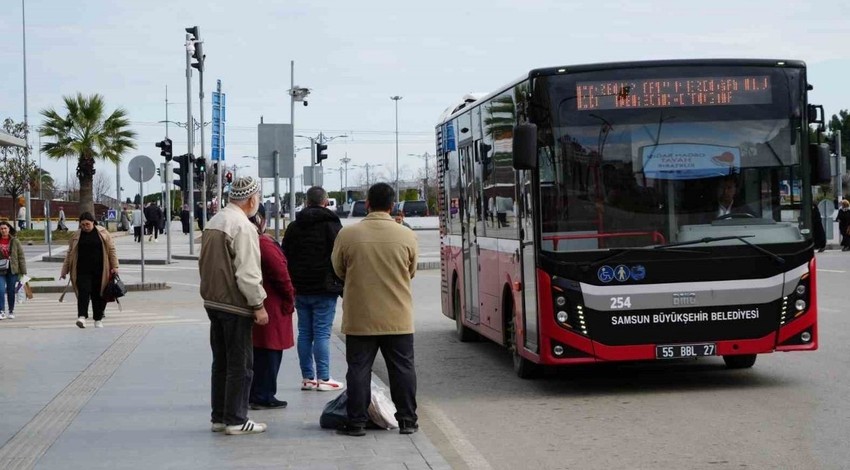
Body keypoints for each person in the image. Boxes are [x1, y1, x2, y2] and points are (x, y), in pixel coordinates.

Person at [331, 183, 419, 437]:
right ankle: (407, 420)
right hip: (397, 316)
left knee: (358, 369)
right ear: (392, 206)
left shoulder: (348, 235)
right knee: (402, 369)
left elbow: (338, 268)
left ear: (367, 204)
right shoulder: (406, 235)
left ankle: (356, 422)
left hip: (361, 316)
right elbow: (410, 271)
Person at [198, 176, 269, 436]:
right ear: (252, 199)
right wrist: (258, 304)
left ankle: (220, 416)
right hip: (235, 305)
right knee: (241, 365)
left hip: (213, 301)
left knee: (222, 363)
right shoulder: (243, 226)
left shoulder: (214, 221)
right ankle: (237, 419)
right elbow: (248, 273)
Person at [282, 186, 345, 392]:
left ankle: (307, 378)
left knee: (304, 333)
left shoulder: (294, 227)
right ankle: (324, 378)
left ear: (307, 202)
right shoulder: (332, 225)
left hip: (300, 287)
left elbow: (285, 256)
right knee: (322, 333)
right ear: (326, 202)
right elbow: (340, 256)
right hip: (324, 287)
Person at [247, 203, 296, 410]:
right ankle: (264, 394)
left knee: (259, 351)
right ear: (261, 219)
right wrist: (290, 297)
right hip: (272, 305)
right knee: (270, 350)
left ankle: (257, 393)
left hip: (258, 303)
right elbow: (281, 274)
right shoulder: (263, 244)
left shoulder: (247, 241)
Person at [60, 212, 119, 329]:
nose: (85, 227)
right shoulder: (76, 236)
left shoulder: (103, 233)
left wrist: (115, 266)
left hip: (100, 270)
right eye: (82, 225)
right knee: (83, 293)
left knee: (98, 294)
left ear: (93, 222)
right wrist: (64, 269)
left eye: (87, 224)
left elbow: (111, 250)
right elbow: (69, 253)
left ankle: (98, 319)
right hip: (82, 270)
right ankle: (82, 317)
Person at [0, 222, 26, 320]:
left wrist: (23, 272)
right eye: (1, 229)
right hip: (0, 270)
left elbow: (21, 256)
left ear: (9, 229)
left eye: (5, 228)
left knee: (11, 290)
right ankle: (1, 311)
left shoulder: (15, 241)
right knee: (1, 290)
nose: (3, 230)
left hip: (12, 269)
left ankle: (11, 310)